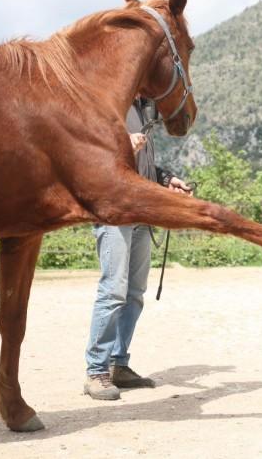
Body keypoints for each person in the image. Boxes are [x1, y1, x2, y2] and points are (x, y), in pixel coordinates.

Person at [84, 97, 192, 400]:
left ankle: (118, 363)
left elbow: (143, 167)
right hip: (115, 212)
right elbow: (86, 156)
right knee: (113, 291)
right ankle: (96, 371)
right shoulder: (110, 102)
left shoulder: (145, 107)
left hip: (141, 210)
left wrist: (167, 179)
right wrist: (120, 146)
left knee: (134, 293)